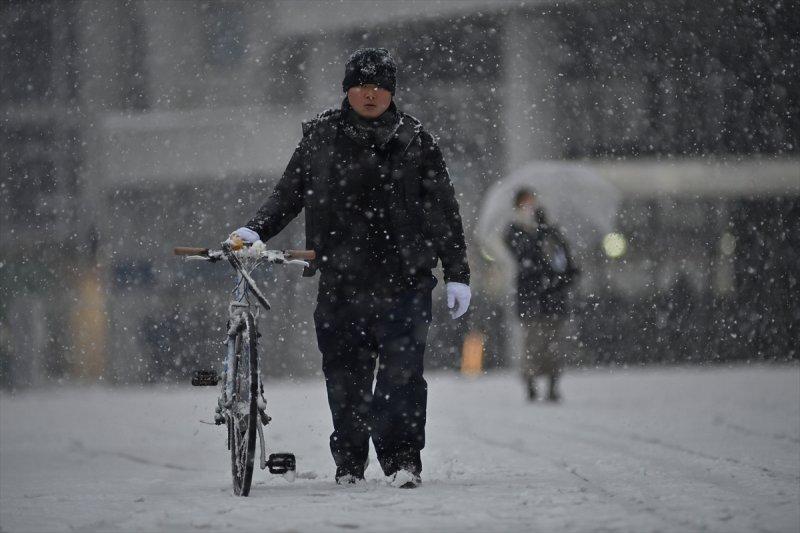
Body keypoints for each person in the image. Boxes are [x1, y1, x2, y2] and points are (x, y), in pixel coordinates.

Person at [227, 48, 471, 488]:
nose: (370, 94)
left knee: (402, 377)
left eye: (379, 86)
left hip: (405, 281)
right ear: (347, 90)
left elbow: (443, 213)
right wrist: (255, 229)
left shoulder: (416, 140)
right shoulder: (320, 138)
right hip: (341, 281)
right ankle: (350, 465)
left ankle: (402, 462)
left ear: (391, 91)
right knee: (345, 378)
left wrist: (458, 274)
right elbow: (288, 194)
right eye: (361, 85)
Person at [505, 189, 578, 402]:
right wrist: (536, 235)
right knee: (533, 344)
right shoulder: (514, 231)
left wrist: (545, 230)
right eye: (525, 203)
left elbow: (562, 257)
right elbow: (523, 257)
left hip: (553, 297)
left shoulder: (551, 230)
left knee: (554, 344)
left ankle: (553, 384)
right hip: (531, 298)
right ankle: (531, 383)